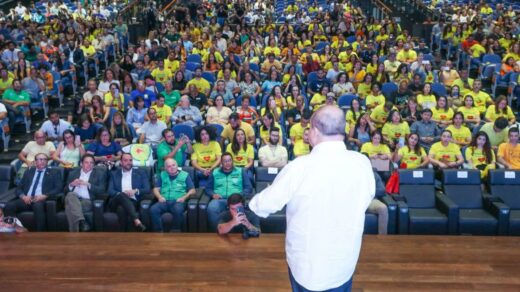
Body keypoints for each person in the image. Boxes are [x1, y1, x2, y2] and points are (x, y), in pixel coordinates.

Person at [249, 105, 375, 291]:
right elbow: (367, 198)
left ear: (314, 131)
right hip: (344, 262)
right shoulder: (362, 163)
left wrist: (265, 192)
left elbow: (262, 206)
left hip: (307, 265)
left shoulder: (298, 167)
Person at [4, 153, 63, 231]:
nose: (42, 161)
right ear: (35, 162)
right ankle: (15, 229)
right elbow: (18, 188)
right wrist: (23, 196)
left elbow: (58, 188)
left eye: (45, 159)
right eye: (40, 159)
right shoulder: (28, 172)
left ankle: (39, 235)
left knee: (38, 206)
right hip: (27, 199)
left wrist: (45, 195)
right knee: (9, 206)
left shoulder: (54, 172)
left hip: (41, 199)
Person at [205, 152, 253, 232]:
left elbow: (248, 188)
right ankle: (216, 232)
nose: (227, 163)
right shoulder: (215, 172)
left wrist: (239, 196)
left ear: (232, 161)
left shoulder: (241, 171)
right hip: (220, 199)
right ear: (221, 163)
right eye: (225, 161)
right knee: (211, 208)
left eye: (229, 160)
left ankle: (240, 233)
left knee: (241, 211)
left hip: (236, 201)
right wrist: (213, 194)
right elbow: (208, 188)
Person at [107, 153, 150, 231]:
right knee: (122, 195)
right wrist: (122, 194)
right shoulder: (114, 174)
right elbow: (110, 190)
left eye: (130, 160)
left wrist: (135, 191)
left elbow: (147, 188)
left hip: (133, 201)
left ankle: (124, 236)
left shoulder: (141, 173)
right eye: (126, 160)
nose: (129, 162)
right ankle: (136, 220)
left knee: (121, 209)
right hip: (115, 201)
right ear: (121, 162)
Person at [150, 158, 196, 232]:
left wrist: (184, 198)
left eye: (173, 165)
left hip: (178, 201)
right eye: (169, 166)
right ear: (165, 168)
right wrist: (159, 197)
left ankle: (175, 231)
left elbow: (193, 190)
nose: (172, 168)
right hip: (164, 201)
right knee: (153, 209)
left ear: (177, 165)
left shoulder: (185, 175)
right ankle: (158, 232)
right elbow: (155, 189)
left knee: (178, 209)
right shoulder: (162, 175)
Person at [64, 154, 105, 232]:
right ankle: (82, 221)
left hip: (87, 201)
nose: (89, 165)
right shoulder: (73, 173)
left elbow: (102, 190)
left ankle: (74, 233)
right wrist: (71, 184)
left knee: (69, 208)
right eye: (86, 162)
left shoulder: (99, 174)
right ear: (81, 164)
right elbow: (65, 190)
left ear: (94, 164)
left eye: (91, 163)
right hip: (73, 198)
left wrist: (89, 185)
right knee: (70, 195)